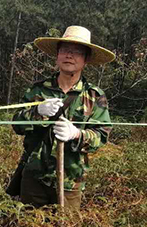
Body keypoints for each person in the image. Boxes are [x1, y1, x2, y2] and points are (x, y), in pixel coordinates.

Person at [7, 26, 115, 212]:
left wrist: (77, 134)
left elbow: (102, 135)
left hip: (70, 181)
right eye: (65, 50)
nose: (69, 55)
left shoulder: (94, 96)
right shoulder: (38, 90)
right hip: (34, 178)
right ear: (57, 55)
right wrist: (38, 112)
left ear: (86, 59)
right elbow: (17, 124)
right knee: (29, 226)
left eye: (77, 52)